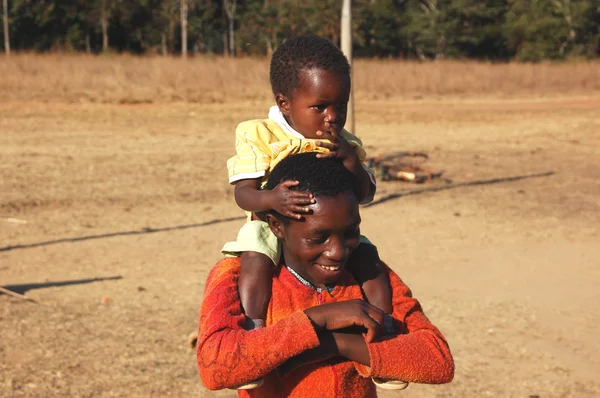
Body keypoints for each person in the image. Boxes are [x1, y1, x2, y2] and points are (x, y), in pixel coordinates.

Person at [197, 153, 454, 397]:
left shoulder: (369, 276)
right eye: (318, 238)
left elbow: (437, 360)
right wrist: (319, 319)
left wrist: (334, 344)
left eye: (350, 233)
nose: (338, 252)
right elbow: (216, 366)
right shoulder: (238, 276)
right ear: (276, 226)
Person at [222, 35, 392, 343]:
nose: (333, 117)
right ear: (284, 103)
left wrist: (351, 162)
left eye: (341, 105)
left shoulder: (346, 143)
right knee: (254, 259)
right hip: (270, 227)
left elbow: (366, 195)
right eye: (320, 106)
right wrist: (273, 199)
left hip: (333, 232)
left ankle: (385, 328)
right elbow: (242, 194)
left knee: (370, 261)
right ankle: (253, 330)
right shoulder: (260, 134)